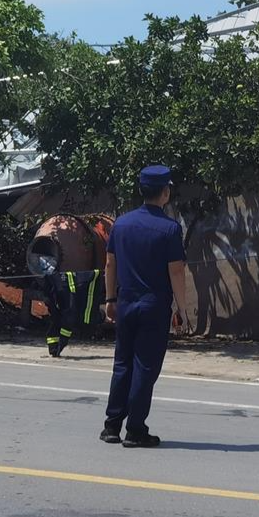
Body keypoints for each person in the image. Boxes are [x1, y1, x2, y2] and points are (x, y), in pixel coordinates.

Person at [99, 165, 192, 449]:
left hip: (126, 302)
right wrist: (182, 309)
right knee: (145, 367)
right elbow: (176, 271)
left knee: (122, 363)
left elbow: (110, 264)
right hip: (153, 306)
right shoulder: (170, 229)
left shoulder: (121, 224)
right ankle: (135, 429)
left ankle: (112, 426)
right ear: (165, 192)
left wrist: (110, 300)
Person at [27, 213, 105, 357]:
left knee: (57, 317)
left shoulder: (50, 268)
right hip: (62, 290)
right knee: (63, 317)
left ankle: (56, 346)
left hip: (55, 289)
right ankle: (58, 344)